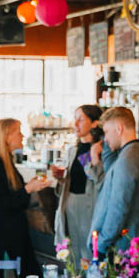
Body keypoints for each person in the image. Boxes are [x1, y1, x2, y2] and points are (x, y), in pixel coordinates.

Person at [51, 104, 116, 265]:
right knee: (72, 256)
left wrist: (94, 157)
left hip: (91, 209)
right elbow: (66, 187)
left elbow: (103, 183)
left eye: (81, 119)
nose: (75, 124)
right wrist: (59, 178)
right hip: (70, 208)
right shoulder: (73, 151)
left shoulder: (102, 149)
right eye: (75, 119)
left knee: (90, 254)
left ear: (95, 123)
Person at [88, 105, 139, 257]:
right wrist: (105, 141)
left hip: (119, 245)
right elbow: (110, 166)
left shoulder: (127, 160)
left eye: (106, 132)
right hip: (136, 237)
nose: (105, 138)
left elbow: (118, 207)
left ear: (119, 129)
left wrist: (101, 244)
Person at [0, 118, 46, 278]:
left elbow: (17, 198)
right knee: (2, 277)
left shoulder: (6, 161)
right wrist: (27, 189)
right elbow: (1, 201)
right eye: (18, 132)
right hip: (5, 230)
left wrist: (29, 187)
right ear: (7, 136)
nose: (22, 136)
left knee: (30, 273)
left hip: (14, 229)